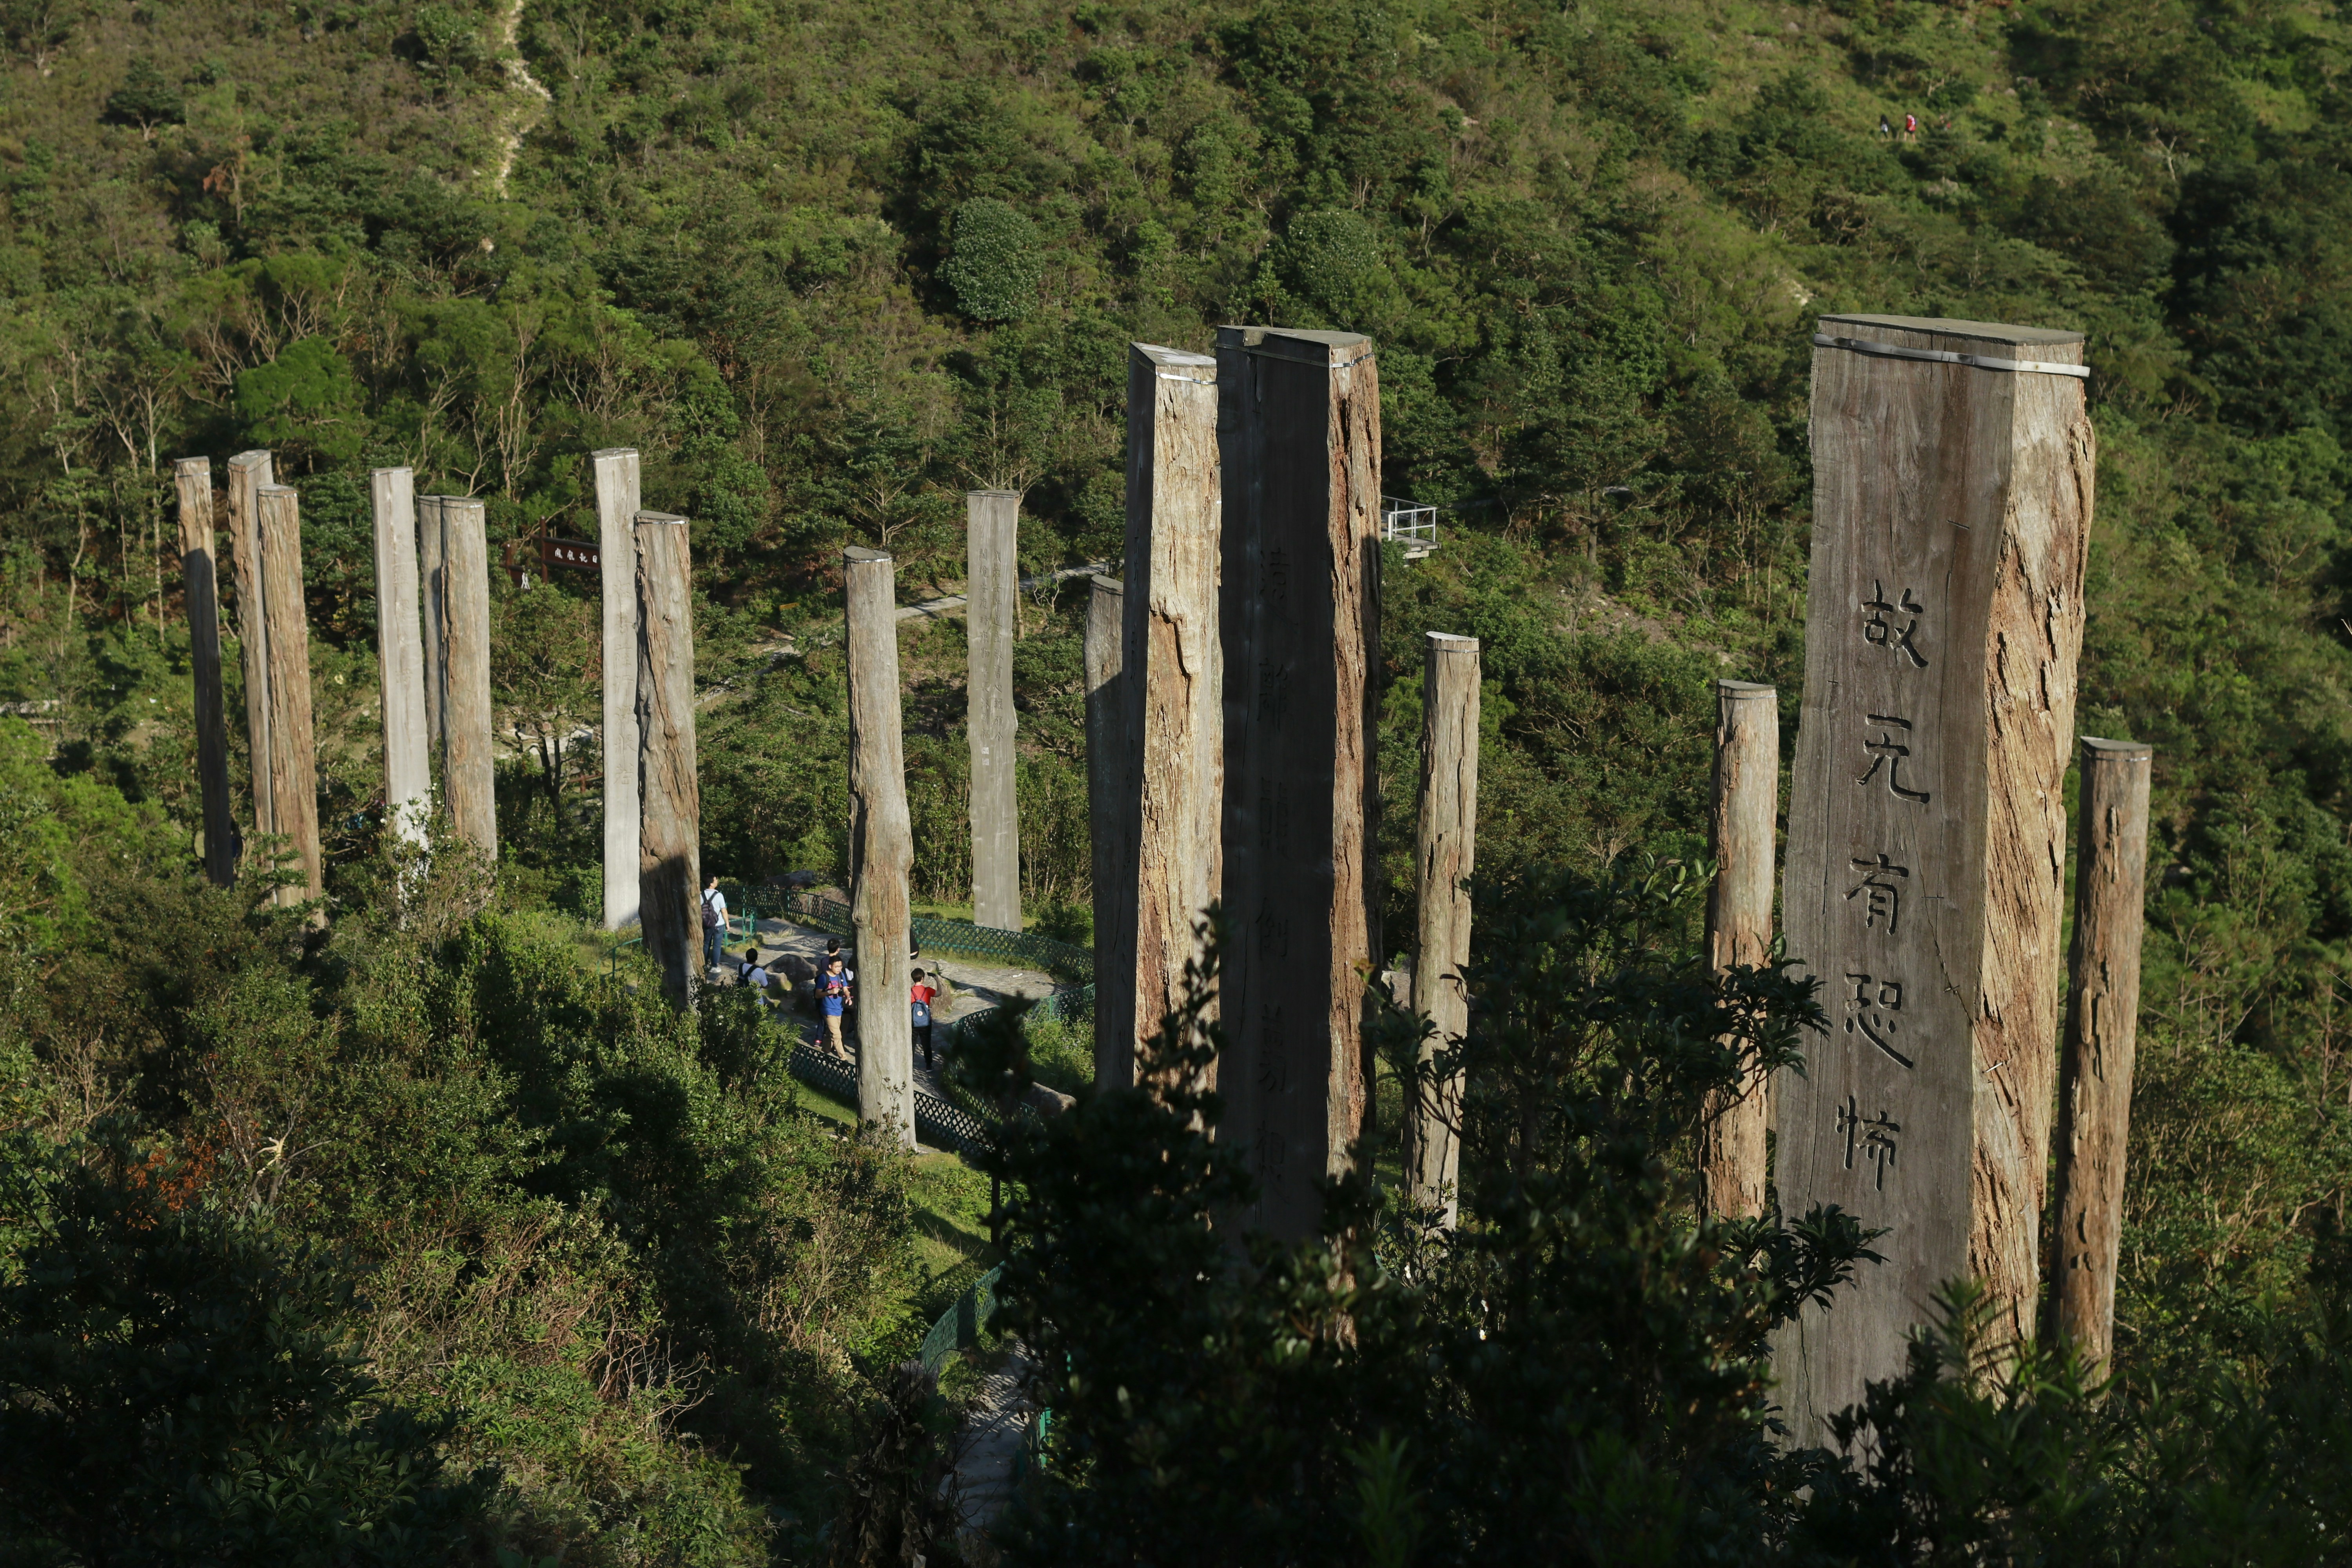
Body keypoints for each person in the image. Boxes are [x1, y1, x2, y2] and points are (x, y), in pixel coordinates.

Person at [820, 956, 853, 1060]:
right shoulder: (824, 977)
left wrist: (848, 997)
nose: (839, 969)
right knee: (837, 1035)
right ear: (831, 966)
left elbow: (846, 989)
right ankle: (843, 1058)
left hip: (839, 1009)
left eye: (841, 966)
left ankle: (825, 1051)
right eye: (837, 967)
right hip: (828, 1010)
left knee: (831, 1033)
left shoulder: (841, 975)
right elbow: (817, 994)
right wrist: (830, 992)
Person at [911, 967, 939, 1070]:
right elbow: (939, 993)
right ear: (922, 978)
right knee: (927, 1044)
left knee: (912, 1044)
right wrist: (937, 980)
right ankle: (929, 1066)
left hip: (914, 1022)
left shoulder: (910, 992)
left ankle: (910, 1066)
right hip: (926, 1022)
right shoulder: (928, 991)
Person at [701, 877, 728, 972]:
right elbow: (724, 911)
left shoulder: (701, 895)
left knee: (706, 944)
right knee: (717, 946)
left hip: (706, 923)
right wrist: (727, 923)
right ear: (711, 884)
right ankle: (714, 966)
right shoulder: (719, 895)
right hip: (719, 924)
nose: (717, 881)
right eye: (716, 880)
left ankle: (705, 964)